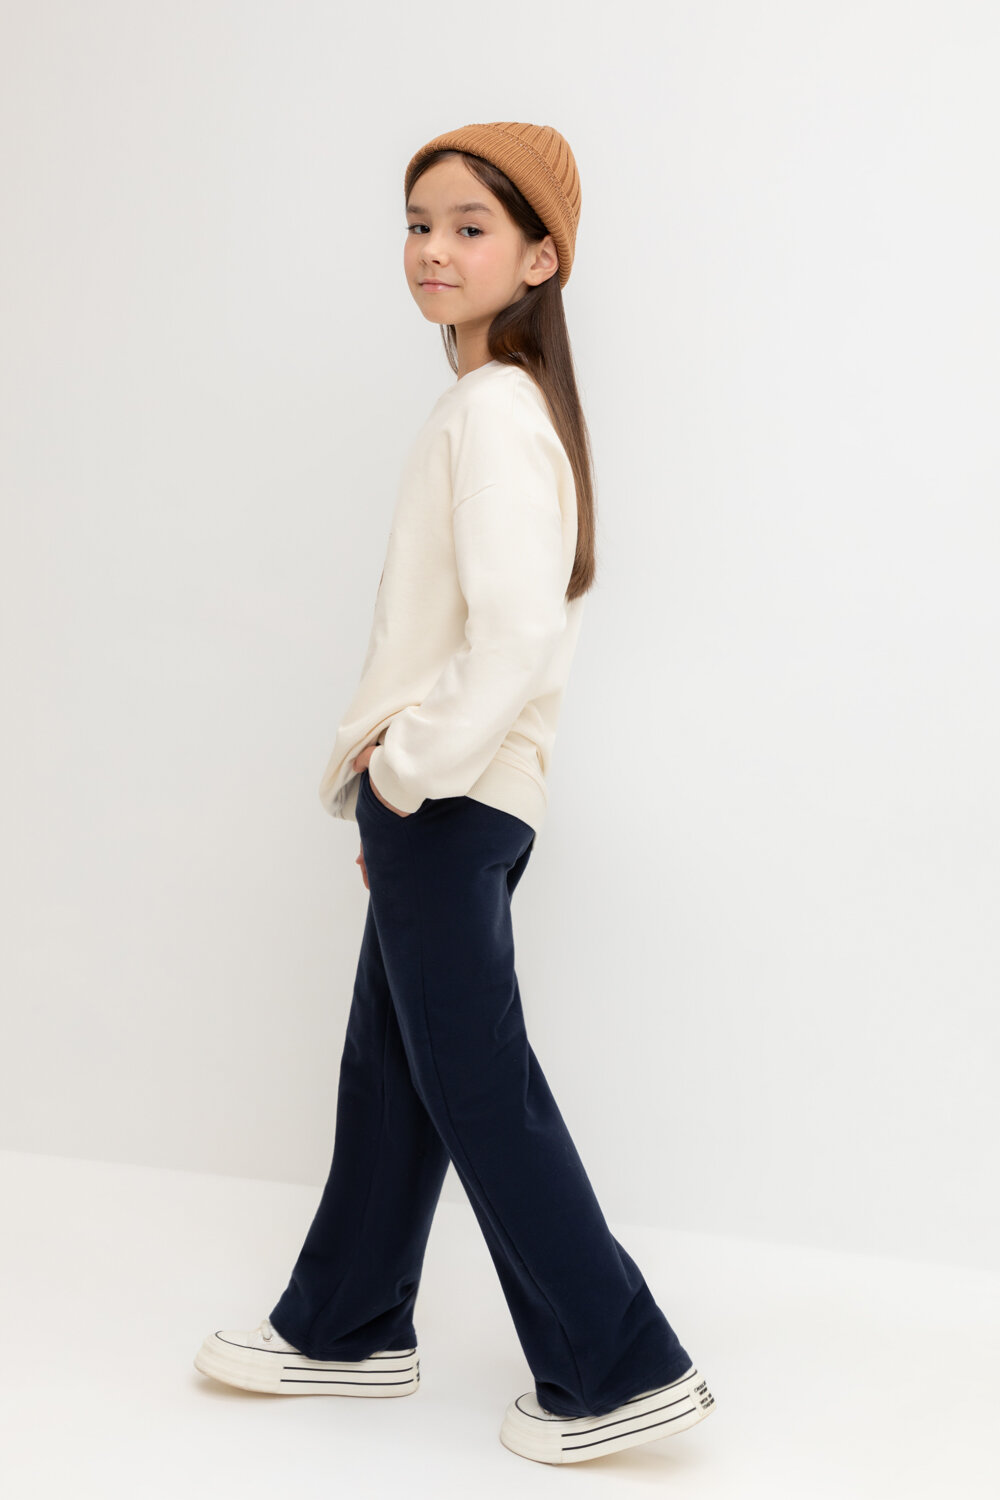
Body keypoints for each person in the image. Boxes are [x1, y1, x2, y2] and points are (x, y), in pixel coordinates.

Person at [194, 119, 717, 1466]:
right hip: (459, 796)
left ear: (541, 258)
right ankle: (347, 1325)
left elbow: (518, 634)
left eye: (471, 227)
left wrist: (407, 771)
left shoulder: (493, 412)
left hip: (450, 789)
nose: (433, 248)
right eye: (419, 223)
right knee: (397, 1069)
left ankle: (616, 1366)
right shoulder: (502, 406)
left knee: (474, 1080)